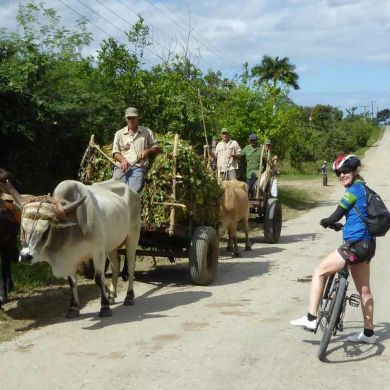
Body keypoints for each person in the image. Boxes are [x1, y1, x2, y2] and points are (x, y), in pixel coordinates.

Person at [290, 154, 377, 344]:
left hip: (354, 245)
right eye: (338, 173)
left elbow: (336, 214)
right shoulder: (365, 190)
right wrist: (341, 226)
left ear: (355, 171)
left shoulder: (353, 191)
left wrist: (327, 221)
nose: (341, 175)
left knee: (320, 271)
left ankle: (311, 318)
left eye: (345, 171)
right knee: (364, 289)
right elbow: (357, 218)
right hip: (367, 245)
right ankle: (369, 334)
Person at [112, 107, 161, 193]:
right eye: (128, 118)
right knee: (117, 191)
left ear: (138, 118)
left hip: (137, 168)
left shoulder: (146, 132)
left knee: (132, 193)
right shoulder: (119, 133)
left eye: (133, 118)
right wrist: (123, 160)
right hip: (121, 168)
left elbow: (156, 147)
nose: (131, 120)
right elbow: (115, 152)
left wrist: (147, 151)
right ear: (125, 119)